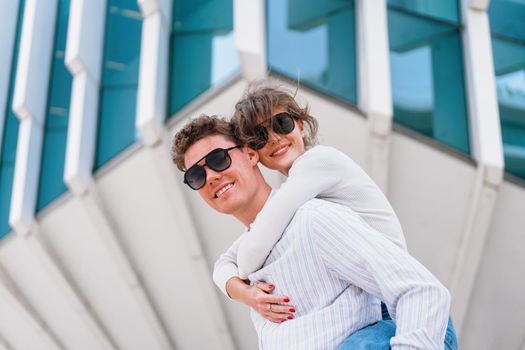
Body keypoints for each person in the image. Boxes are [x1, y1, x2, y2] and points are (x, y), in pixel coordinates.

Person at [171, 114, 452, 349]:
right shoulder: (246, 269)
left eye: (218, 159)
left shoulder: (312, 219)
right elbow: (224, 264)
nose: (211, 177)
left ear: (250, 153)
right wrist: (240, 290)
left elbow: (422, 291)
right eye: (196, 175)